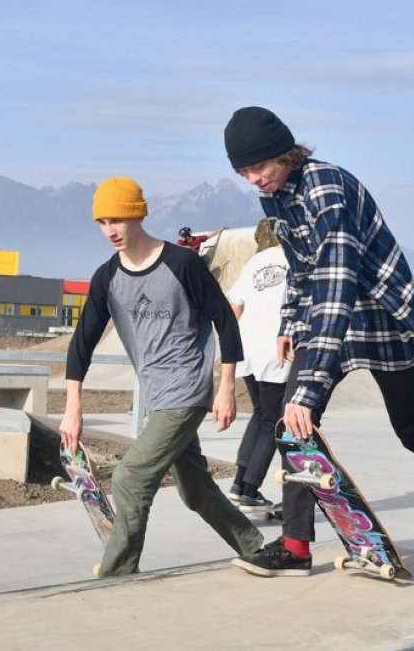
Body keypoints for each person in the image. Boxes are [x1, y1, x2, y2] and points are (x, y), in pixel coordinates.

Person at [222, 106, 414, 577]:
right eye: (244, 172)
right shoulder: (275, 197)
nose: (254, 179)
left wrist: (310, 385)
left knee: (411, 426)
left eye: (259, 167)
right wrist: (289, 324)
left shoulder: (326, 188)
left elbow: (337, 284)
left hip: (381, 316)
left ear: (285, 153)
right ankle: (296, 545)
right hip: (331, 314)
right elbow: (301, 268)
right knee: (291, 425)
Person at [60, 176, 263, 578]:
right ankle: (257, 549)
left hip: (187, 389)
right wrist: (72, 409)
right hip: (156, 395)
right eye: (102, 222)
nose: (110, 231)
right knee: (195, 490)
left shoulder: (181, 263)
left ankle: (118, 572)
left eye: (117, 220)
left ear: (138, 215)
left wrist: (225, 389)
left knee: (130, 478)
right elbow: (81, 344)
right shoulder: (107, 278)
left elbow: (225, 322)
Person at [224, 217, 290, 516]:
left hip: (247, 349)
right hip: (277, 350)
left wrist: (234, 344)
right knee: (273, 420)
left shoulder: (257, 261)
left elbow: (234, 305)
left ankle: (239, 484)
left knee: (261, 415)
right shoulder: (300, 264)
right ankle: (250, 489)